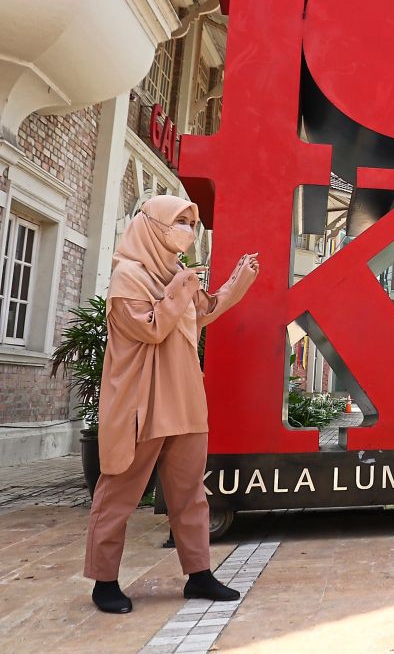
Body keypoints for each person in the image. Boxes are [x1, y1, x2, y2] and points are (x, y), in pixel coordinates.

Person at [84, 195, 260, 614]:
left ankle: (199, 575)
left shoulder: (179, 274)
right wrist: (178, 292)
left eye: (189, 223)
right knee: (118, 496)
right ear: (151, 226)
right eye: (177, 221)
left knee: (191, 496)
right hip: (143, 406)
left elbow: (204, 312)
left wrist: (239, 280)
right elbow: (150, 331)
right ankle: (104, 581)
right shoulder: (128, 277)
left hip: (185, 403)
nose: (186, 230)